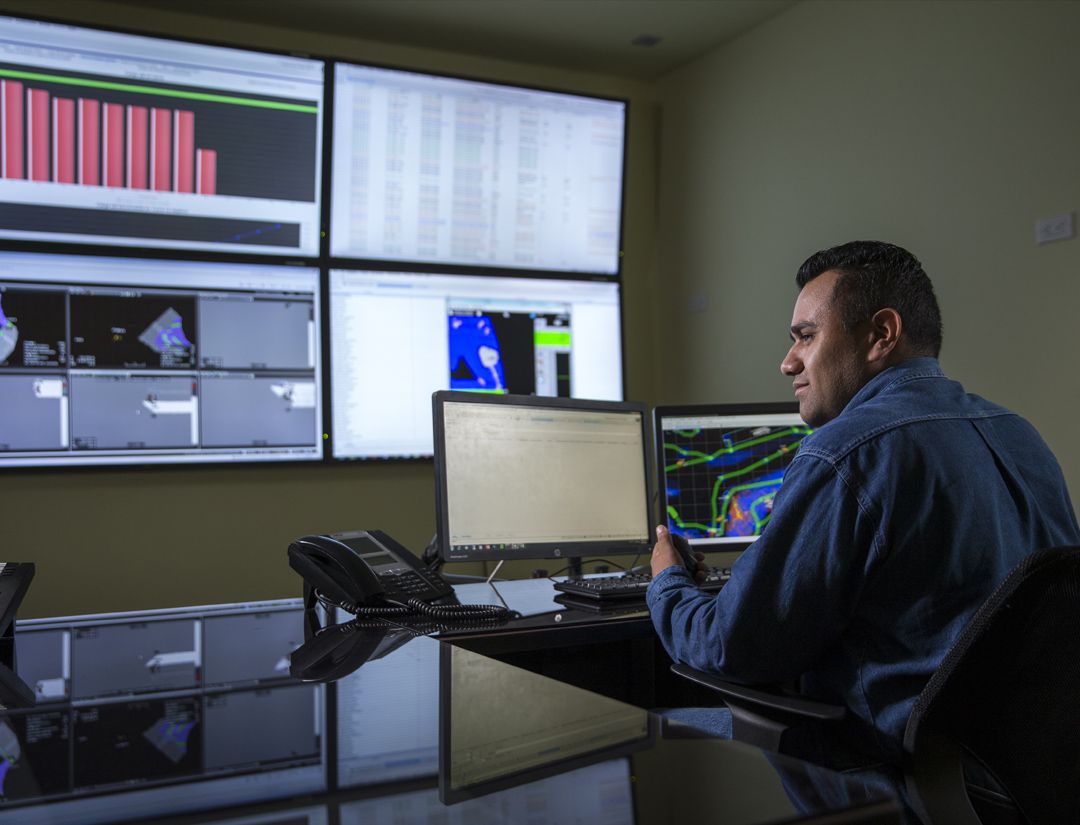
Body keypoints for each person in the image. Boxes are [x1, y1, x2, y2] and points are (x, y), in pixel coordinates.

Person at [647, 240, 1080, 770]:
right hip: (1022, 778)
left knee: (650, 731)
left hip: (890, 770)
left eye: (805, 336)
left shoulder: (846, 453)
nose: (787, 362)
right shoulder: (1021, 435)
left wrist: (668, 581)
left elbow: (731, 649)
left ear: (881, 335)